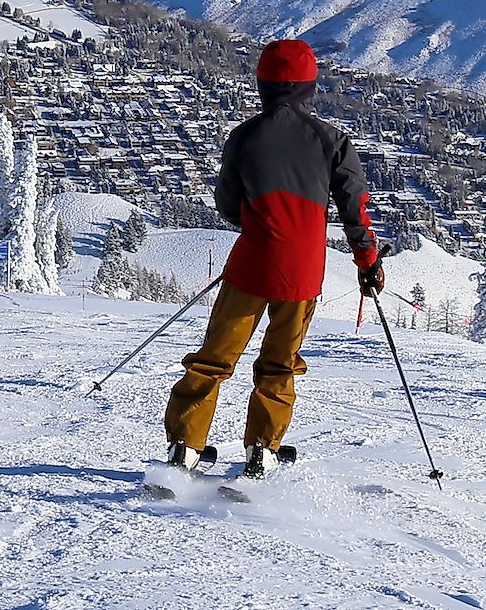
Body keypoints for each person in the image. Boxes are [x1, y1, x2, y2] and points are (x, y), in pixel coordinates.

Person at [163, 39, 382, 478]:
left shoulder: (243, 136)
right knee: (280, 361)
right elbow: (354, 208)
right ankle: (262, 449)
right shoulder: (332, 141)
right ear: (309, 87)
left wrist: (261, 222)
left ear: (262, 84)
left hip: (251, 266)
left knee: (215, 356)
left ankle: (186, 446)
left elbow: (228, 204)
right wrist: (368, 263)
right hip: (302, 273)